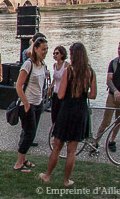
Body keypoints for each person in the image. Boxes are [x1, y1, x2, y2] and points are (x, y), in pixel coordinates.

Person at [39, 42, 96, 187]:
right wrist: (83, 92)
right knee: (72, 150)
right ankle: (66, 180)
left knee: (57, 146)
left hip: (67, 110)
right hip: (81, 111)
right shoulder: (90, 72)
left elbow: (61, 94)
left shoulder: (69, 71)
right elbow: (93, 94)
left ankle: (48, 176)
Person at [13, 35, 48, 172]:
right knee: (29, 134)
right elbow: (18, 86)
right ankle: (18, 164)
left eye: (46, 49)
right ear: (36, 49)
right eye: (43, 49)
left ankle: (24, 159)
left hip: (38, 103)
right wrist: (26, 104)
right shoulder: (28, 64)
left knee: (31, 133)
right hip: (27, 104)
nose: (45, 52)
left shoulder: (43, 64)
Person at [49, 45, 69, 125]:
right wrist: (50, 87)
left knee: (62, 115)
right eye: (54, 53)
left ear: (62, 54)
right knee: (54, 114)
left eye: (57, 53)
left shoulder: (66, 65)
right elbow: (55, 78)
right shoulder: (55, 65)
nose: (55, 55)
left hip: (63, 93)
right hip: (55, 92)